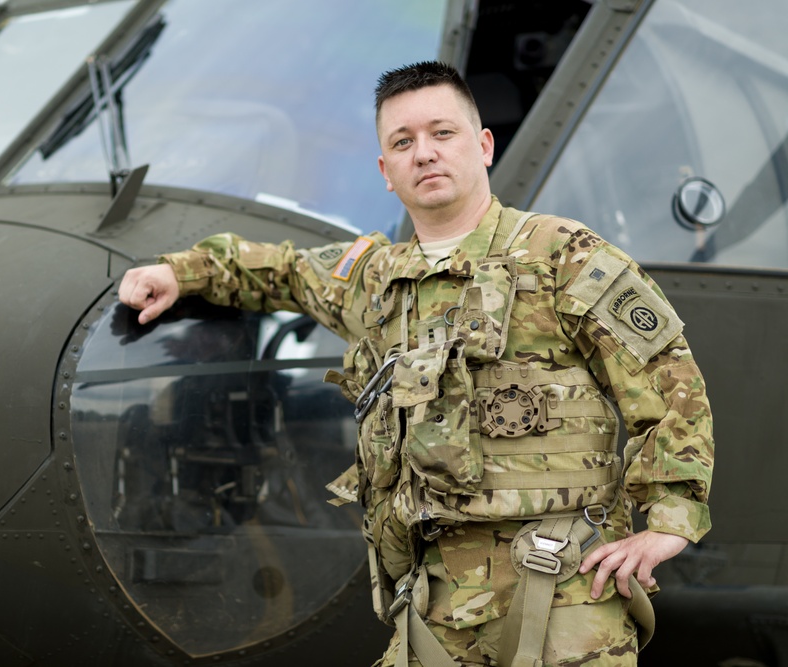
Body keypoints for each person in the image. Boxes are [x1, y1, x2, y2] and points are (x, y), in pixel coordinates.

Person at [117, 61, 713, 666]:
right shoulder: (378, 280)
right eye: (403, 142)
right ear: (386, 171)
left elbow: (666, 373)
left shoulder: (560, 254)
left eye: (442, 133)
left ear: (483, 147)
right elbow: (286, 270)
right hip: (434, 600)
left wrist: (672, 515)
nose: (424, 153)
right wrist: (181, 273)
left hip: (563, 587)